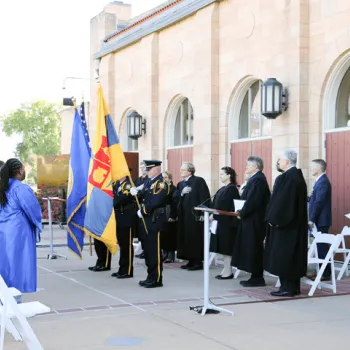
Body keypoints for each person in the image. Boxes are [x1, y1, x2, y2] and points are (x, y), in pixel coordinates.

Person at [265, 150, 308, 297]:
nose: (278, 162)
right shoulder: (293, 177)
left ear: (287, 162)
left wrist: (274, 220)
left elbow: (283, 203)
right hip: (291, 225)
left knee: (286, 256)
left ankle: (288, 288)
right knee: (290, 256)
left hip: (286, 226)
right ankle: (291, 287)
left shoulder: (290, 179)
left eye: (280, 159)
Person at [0, 158, 42, 293]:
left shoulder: (3, 187)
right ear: (20, 170)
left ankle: (5, 294)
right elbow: (33, 209)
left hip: (3, 230)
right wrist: (37, 223)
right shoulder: (20, 188)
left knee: (5, 263)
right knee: (18, 264)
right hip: (19, 232)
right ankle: (15, 294)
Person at [231, 156, 271, 287]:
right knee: (250, 247)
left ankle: (257, 277)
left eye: (248, 165)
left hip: (255, 221)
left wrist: (242, 212)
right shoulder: (254, 179)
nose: (246, 167)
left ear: (256, 166)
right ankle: (254, 275)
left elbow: (254, 201)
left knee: (254, 248)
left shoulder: (258, 180)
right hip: (250, 219)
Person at [130, 160, 169, 288]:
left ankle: (156, 278)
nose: (146, 172)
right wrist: (136, 193)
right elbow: (144, 196)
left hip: (154, 220)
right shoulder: (149, 182)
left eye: (148, 169)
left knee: (154, 251)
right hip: (146, 220)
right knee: (148, 250)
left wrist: (144, 210)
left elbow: (156, 201)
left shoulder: (161, 183)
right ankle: (150, 276)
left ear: (156, 169)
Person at [177, 162, 211, 271]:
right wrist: (181, 193)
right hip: (184, 215)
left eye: (183, 170)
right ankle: (190, 260)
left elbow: (204, 197)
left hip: (194, 215)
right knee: (186, 237)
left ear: (189, 171)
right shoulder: (180, 184)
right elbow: (175, 197)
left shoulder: (198, 181)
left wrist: (202, 213)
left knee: (195, 237)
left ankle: (197, 261)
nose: (181, 171)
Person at [210, 166, 240, 280]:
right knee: (223, 248)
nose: (220, 176)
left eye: (222, 174)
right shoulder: (223, 188)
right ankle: (226, 269)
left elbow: (226, 205)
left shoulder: (231, 189)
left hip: (227, 223)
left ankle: (228, 271)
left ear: (229, 175)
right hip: (221, 222)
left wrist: (215, 214)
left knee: (227, 248)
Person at [308, 159, 332, 281]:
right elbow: (313, 200)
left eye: (312, 167)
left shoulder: (323, 182)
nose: (310, 169)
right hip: (319, 219)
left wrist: (312, 219)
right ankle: (321, 270)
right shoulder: (319, 182)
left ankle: (325, 273)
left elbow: (319, 202)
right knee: (319, 247)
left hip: (321, 220)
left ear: (318, 169)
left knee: (322, 247)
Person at [112, 176, 136, 279]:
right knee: (122, 244)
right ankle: (122, 268)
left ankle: (128, 270)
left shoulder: (128, 184)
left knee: (127, 245)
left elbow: (122, 198)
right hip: (119, 216)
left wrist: (110, 202)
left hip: (126, 217)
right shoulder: (117, 184)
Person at [160, 171, 178, 263]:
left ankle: (171, 255)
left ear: (170, 179)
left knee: (170, 233)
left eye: (166, 177)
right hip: (162, 212)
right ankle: (164, 253)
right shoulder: (161, 188)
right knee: (163, 233)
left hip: (169, 211)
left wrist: (173, 215)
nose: (164, 179)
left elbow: (174, 203)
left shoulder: (173, 188)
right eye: (162, 178)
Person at [134, 161, 149, 259]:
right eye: (141, 167)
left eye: (144, 167)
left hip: (146, 207)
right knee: (141, 230)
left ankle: (147, 250)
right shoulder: (138, 180)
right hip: (139, 206)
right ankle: (143, 249)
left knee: (146, 229)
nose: (143, 169)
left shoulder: (149, 179)